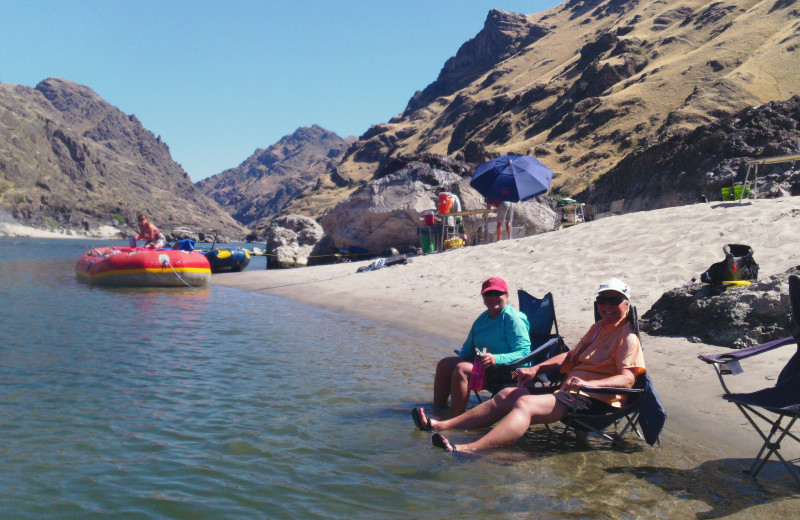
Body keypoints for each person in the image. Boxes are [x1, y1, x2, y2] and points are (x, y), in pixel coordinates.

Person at [412, 278, 645, 452]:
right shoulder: (598, 329)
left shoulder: (628, 337)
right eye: (602, 300)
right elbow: (569, 356)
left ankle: (468, 449)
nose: (607, 305)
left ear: (626, 304)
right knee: (507, 394)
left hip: (593, 398)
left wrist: (587, 383)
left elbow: (627, 379)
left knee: (525, 403)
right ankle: (442, 425)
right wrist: (536, 368)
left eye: (614, 300)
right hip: (569, 391)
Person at [428, 276, 531, 418]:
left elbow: (525, 353)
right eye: (488, 294)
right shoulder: (482, 319)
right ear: (483, 297)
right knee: (445, 364)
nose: (493, 297)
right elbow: (468, 350)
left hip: (511, 372)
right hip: (487, 368)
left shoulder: (514, 319)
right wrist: (463, 358)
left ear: (506, 296)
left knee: (462, 369)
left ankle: (455, 419)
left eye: (497, 293)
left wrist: (496, 358)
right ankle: (437, 411)